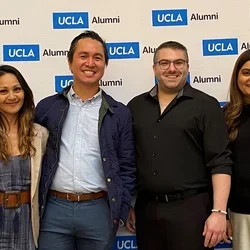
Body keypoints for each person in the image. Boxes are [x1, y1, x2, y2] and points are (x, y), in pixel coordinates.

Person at [35, 30, 136, 250]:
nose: (90, 63)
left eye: (97, 57)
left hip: (99, 211)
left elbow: (127, 168)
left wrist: (121, 209)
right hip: (53, 211)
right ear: (70, 62)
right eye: (83, 56)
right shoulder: (46, 108)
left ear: (104, 65)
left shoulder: (119, 113)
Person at [127, 41, 232, 250]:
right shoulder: (135, 106)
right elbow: (129, 161)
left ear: (187, 66)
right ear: (154, 68)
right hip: (147, 210)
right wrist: (129, 205)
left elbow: (220, 161)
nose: (172, 69)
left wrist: (219, 212)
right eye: (164, 63)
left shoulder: (206, 105)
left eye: (179, 62)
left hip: (192, 211)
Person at [0, 65, 48, 249]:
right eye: (3, 91)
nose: (12, 96)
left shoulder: (40, 134)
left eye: (17, 89)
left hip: (28, 221)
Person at [223, 49, 250, 250]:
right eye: (246, 72)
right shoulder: (226, 117)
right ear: (237, 77)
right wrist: (222, 212)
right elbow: (219, 167)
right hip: (242, 212)